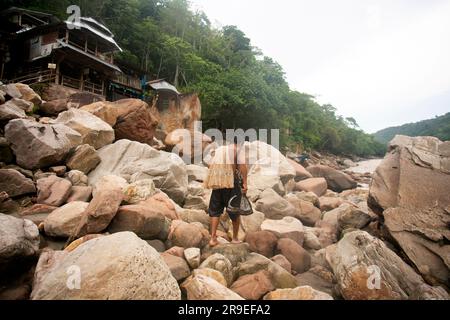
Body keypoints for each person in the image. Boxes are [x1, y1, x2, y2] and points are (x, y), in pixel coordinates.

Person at [203, 137, 248, 247]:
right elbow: (243, 167)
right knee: (234, 210)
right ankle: (235, 238)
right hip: (231, 184)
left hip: (218, 182)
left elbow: (209, 163)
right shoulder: (238, 150)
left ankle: (213, 238)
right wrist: (245, 183)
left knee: (215, 210)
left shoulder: (220, 149)